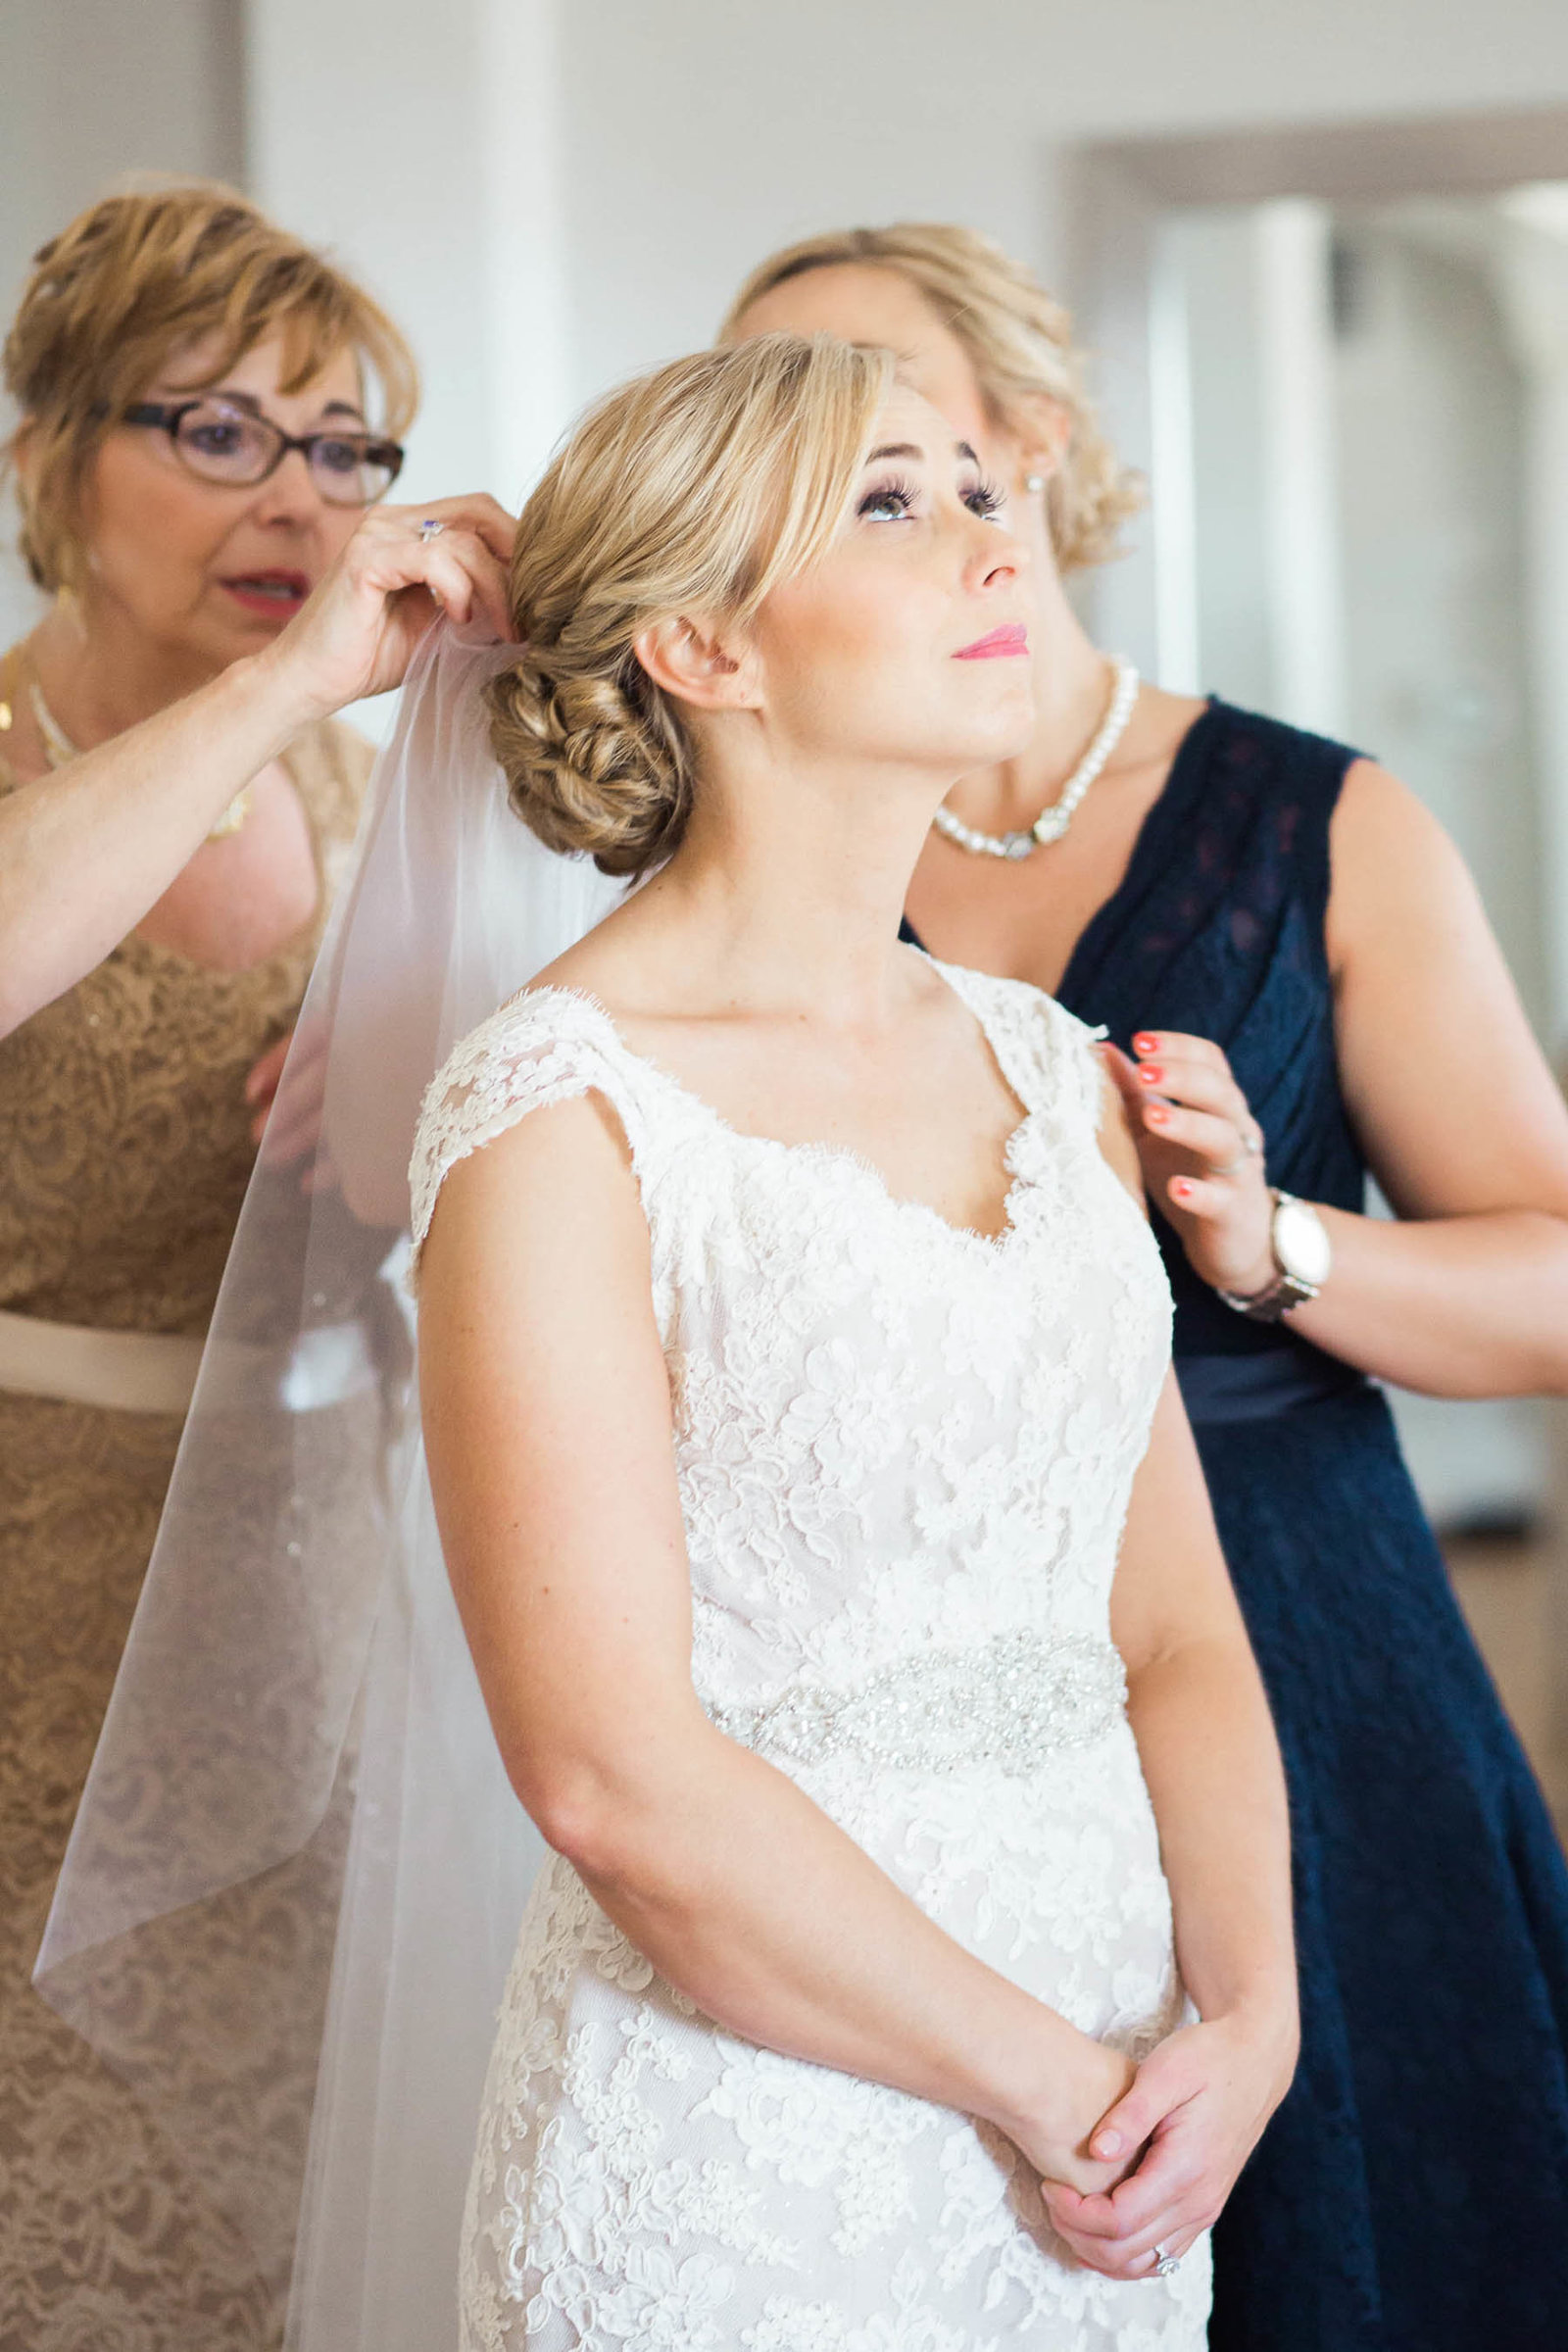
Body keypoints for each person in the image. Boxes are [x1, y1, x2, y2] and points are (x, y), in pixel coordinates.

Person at [721, 222, 1568, 2351]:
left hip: (1293, 1641)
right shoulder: (746, 854)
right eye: (764, 422)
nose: (812, 453)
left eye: (875, 410)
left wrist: (1269, 1244)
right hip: (897, 1678)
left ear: (1031, 448)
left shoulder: (1318, 823)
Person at [409, 329, 1298, 2348]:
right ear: (704, 651)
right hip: (748, 2149)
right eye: (892, 503)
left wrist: (1244, 2019)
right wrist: (1043, 2090)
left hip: (1118, 2118)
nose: (989, 545)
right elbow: (607, 1776)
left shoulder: (1057, 1071)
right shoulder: (560, 1112)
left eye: (983, 492)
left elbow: (1164, 1618)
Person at [0, 179, 514, 2349]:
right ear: (51, 459)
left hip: (327, 1570)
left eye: (340, 444)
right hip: (31, 1581)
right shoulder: (141, 734)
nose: (291, 494)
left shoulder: (364, 770)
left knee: (320, 2167)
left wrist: (392, 1130)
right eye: (213, 431)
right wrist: (305, 665)